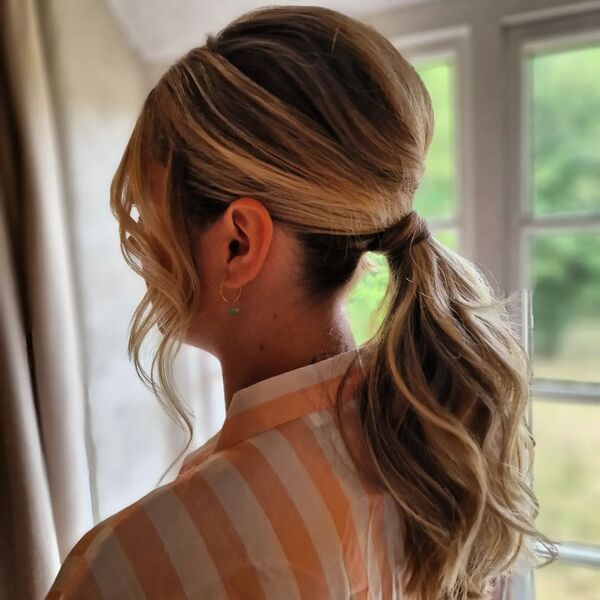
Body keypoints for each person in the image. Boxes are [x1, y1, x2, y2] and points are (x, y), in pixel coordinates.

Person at [46, 6, 550, 599]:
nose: (138, 246)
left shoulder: (131, 567)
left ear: (239, 242)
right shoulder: (442, 460)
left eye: (152, 213)